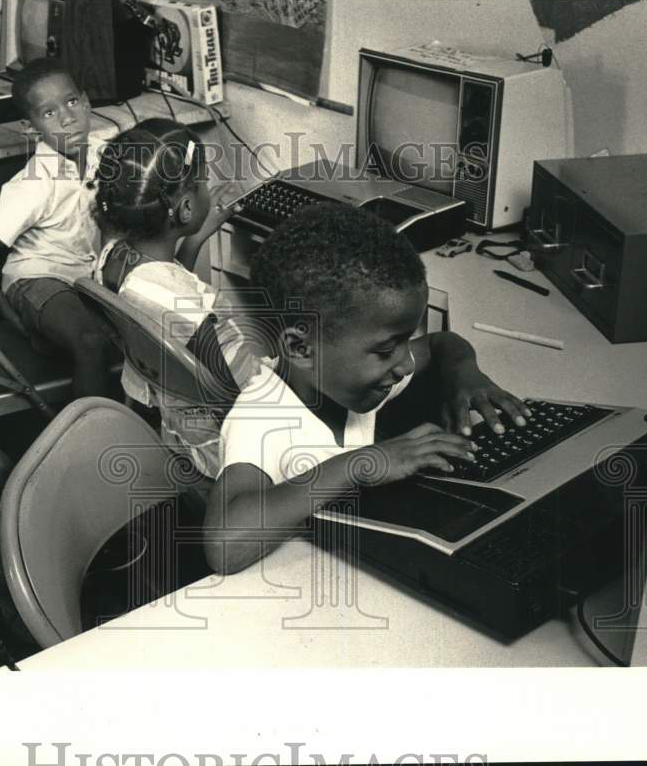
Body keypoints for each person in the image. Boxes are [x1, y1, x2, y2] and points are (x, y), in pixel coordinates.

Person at [204, 203, 532, 574]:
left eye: (407, 342)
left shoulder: (344, 381)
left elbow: (443, 344)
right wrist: (363, 463)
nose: (406, 363)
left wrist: (466, 374)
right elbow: (223, 545)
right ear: (301, 349)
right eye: (387, 349)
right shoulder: (261, 417)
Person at [91, 117, 252, 479]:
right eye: (204, 183)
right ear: (184, 209)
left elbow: (168, 301)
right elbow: (228, 397)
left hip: (178, 429)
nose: (209, 190)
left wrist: (195, 239)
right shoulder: (189, 308)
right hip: (223, 447)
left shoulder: (113, 258)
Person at [0, 57, 110, 398]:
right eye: (49, 113)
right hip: (38, 278)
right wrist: (9, 318)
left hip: (85, 277)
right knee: (91, 342)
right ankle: (91, 442)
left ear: (86, 102)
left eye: (71, 103)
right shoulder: (34, 182)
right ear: (30, 127)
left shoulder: (103, 155)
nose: (68, 119)